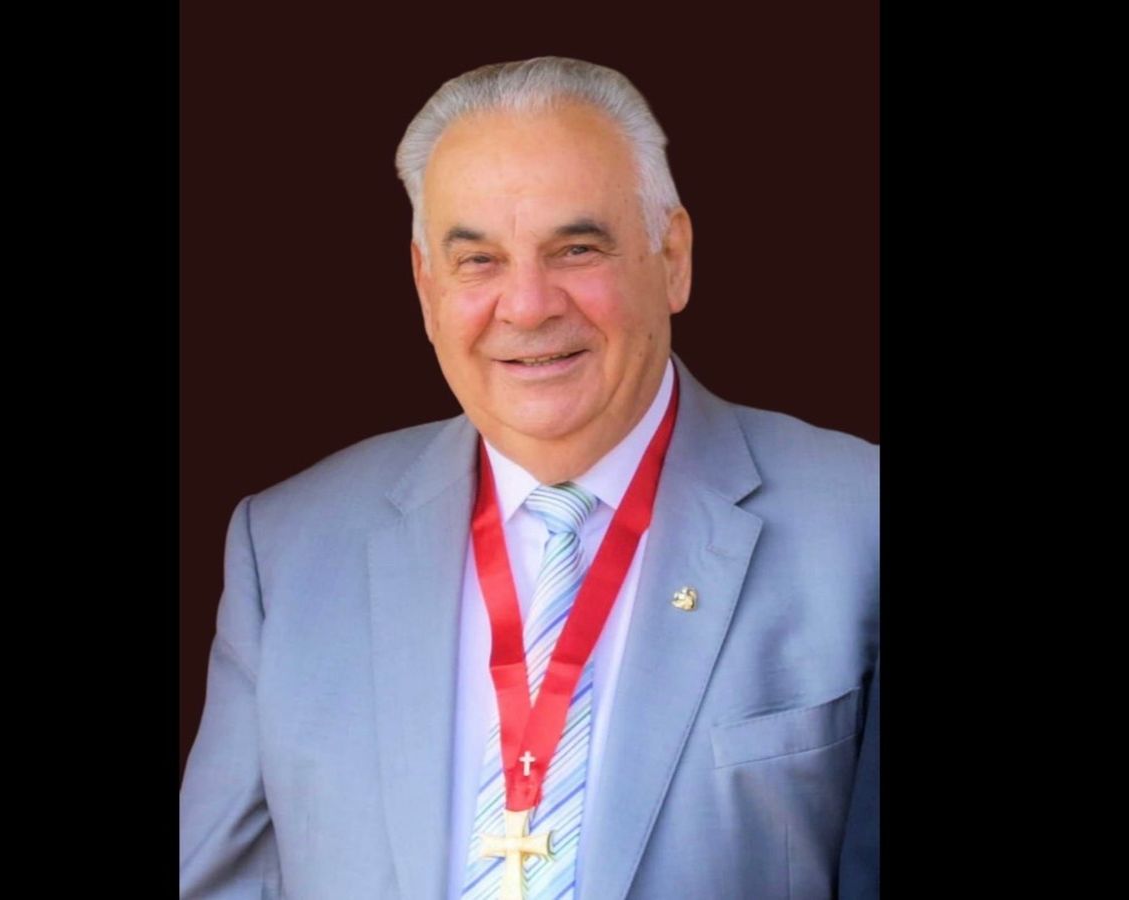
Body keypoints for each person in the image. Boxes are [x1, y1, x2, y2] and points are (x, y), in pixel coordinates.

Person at [180, 56, 879, 900]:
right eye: (478, 260)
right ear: (426, 286)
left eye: (576, 249)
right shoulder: (287, 550)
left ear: (673, 258)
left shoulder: (859, 527)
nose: (528, 305)